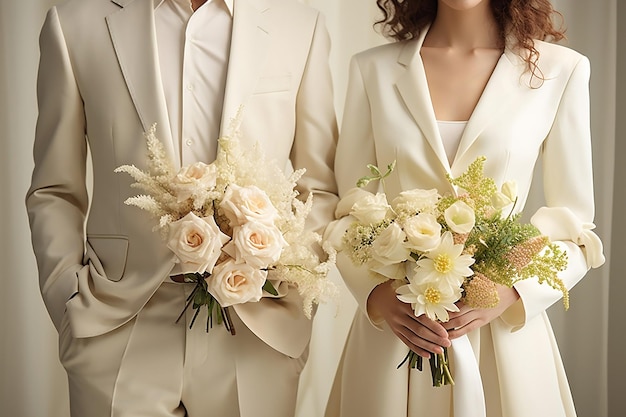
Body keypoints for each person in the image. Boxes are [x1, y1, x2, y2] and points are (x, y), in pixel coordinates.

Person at [25, 0, 338, 416]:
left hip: (255, 326)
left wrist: (294, 295)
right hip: (119, 320)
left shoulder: (301, 25)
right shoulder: (73, 25)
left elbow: (318, 188)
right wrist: (68, 298)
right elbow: (54, 188)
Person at [324, 0, 605, 416]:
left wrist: (511, 292)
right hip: (401, 333)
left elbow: (576, 228)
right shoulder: (374, 69)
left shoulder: (560, 70)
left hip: (502, 338)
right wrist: (377, 296)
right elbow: (349, 208)